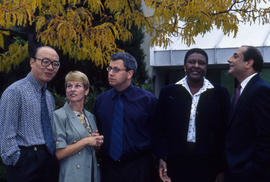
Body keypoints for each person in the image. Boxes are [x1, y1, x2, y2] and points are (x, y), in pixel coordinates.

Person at [153, 48, 230, 182]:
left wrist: (222, 168)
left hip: (209, 165)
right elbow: (159, 128)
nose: (196, 66)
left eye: (201, 63)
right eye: (191, 62)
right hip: (175, 163)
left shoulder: (220, 93)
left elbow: (226, 132)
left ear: (206, 67)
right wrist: (161, 157)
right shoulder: (168, 92)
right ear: (185, 66)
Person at [94, 52, 157, 182]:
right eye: (109, 68)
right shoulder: (101, 101)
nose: (110, 73)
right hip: (109, 169)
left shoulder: (147, 100)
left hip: (140, 168)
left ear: (130, 74)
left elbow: (158, 133)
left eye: (116, 69)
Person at [0, 45, 60, 182]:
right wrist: (16, 160)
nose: (50, 67)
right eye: (45, 62)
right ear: (32, 62)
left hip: (48, 158)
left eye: (55, 64)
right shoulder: (14, 92)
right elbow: (6, 133)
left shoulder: (49, 96)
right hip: (25, 162)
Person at [225, 46, 270, 182]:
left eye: (236, 56)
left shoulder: (260, 90)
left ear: (248, 63)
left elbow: (266, 136)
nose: (229, 60)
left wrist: (253, 171)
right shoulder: (240, 90)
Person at [52, 71, 103, 182]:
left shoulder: (90, 116)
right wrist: (86, 141)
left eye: (77, 86)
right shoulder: (58, 115)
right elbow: (59, 154)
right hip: (72, 176)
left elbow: (93, 151)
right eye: (69, 86)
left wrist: (97, 143)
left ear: (86, 91)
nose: (72, 89)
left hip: (92, 175)